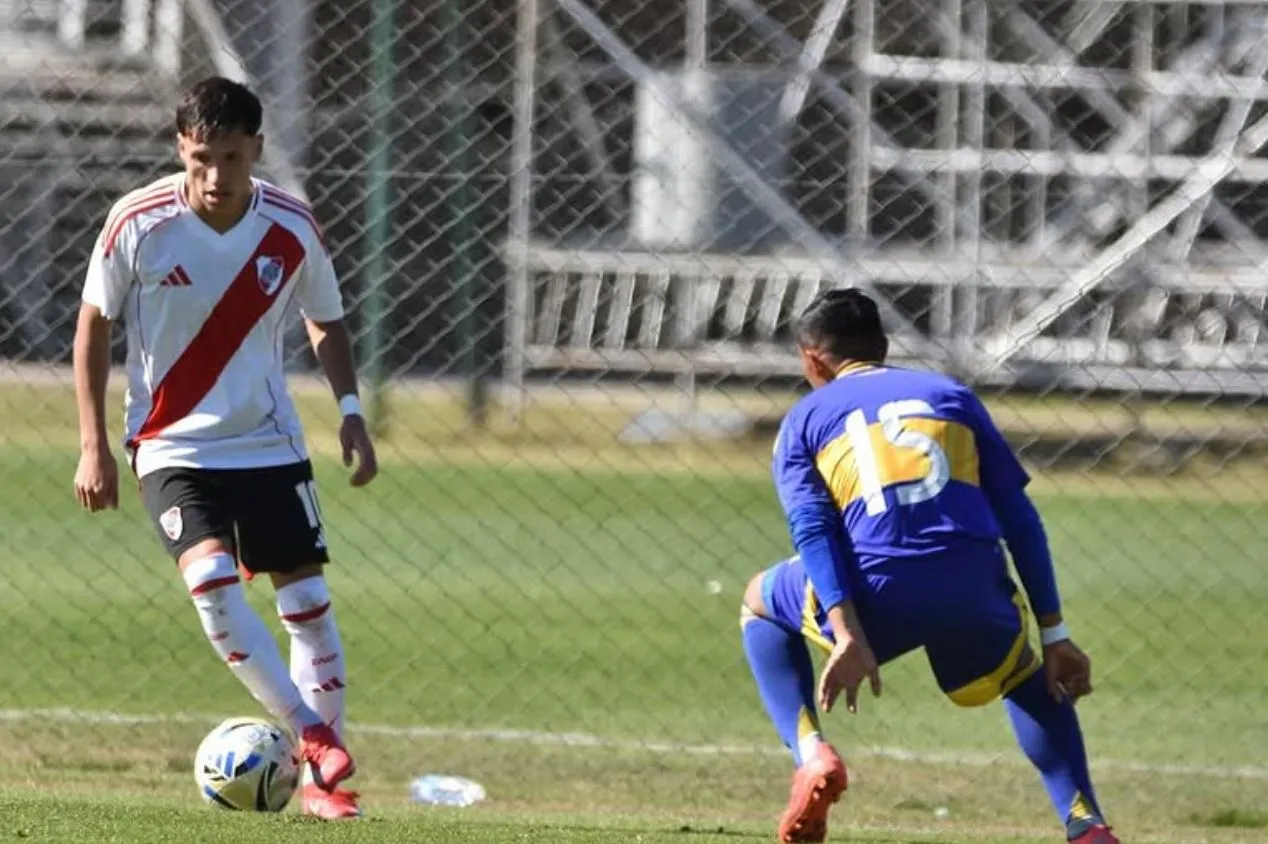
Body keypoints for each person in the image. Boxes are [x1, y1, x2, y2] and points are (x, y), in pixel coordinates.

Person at [71, 76, 377, 820]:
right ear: (181, 148)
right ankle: (311, 735)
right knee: (210, 582)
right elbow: (92, 329)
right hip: (170, 445)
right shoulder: (137, 221)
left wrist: (349, 410)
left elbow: (326, 321)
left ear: (257, 152)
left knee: (306, 600)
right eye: (201, 157)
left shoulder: (290, 226)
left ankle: (324, 792)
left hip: (267, 444)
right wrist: (93, 446)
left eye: (231, 158)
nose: (214, 176)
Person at [743, 288, 1117, 843]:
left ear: (812, 360)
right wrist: (1055, 632)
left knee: (757, 601)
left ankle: (812, 756)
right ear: (884, 346)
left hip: (877, 588)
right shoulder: (951, 396)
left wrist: (846, 633)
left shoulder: (804, 419)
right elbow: (1019, 517)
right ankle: (1087, 824)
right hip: (972, 583)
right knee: (1022, 675)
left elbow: (813, 528)